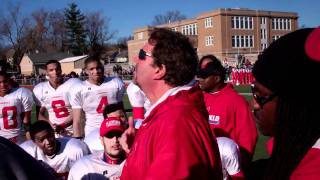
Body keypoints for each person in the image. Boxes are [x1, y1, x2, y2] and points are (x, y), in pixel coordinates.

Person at [120, 28, 222, 179]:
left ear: (159, 70)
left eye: (142, 55)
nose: (135, 59)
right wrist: (140, 148)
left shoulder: (175, 125)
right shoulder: (170, 116)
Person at [249, 28, 320, 179]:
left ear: (297, 105)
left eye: (260, 96)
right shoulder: (293, 148)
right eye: (252, 90)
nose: (254, 105)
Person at [196, 55, 258, 168]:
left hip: (226, 169)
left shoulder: (236, 101)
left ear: (217, 78)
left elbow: (248, 139)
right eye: (199, 75)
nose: (200, 79)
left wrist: (238, 168)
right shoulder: (199, 98)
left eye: (204, 76)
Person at [71, 56, 125, 138]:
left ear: (102, 68)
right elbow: (77, 120)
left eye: (98, 68)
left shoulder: (115, 82)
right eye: (91, 69)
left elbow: (121, 110)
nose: (96, 71)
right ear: (86, 71)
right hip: (93, 129)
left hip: (114, 126)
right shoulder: (79, 88)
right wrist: (77, 138)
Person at [20, 120, 90, 179]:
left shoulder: (75, 149)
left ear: (53, 133)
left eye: (49, 136)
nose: (48, 142)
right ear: (34, 142)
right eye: (42, 140)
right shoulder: (27, 152)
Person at [68, 115, 126, 180]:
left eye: (119, 135)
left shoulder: (136, 160)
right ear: (101, 140)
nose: (115, 140)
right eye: (110, 135)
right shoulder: (85, 167)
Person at [33, 60, 82, 137]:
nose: (55, 72)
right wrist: (50, 125)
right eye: (51, 70)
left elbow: (78, 111)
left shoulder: (73, 83)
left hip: (74, 131)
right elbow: (40, 115)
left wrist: (63, 125)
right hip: (54, 133)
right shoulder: (40, 89)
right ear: (47, 72)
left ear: (61, 70)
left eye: (57, 69)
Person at [0, 71, 34, 144]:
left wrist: (30, 143)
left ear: (9, 80)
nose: (2, 85)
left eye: (5, 81)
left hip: (17, 140)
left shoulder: (21, 93)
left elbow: (26, 122)